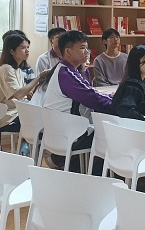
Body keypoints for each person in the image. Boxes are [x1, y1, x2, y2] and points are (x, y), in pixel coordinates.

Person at [43, 30, 112, 171]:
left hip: (60, 131)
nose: (87, 52)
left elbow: (89, 91)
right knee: (109, 133)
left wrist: (111, 97)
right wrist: (116, 102)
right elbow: (92, 98)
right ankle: (93, 177)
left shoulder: (67, 70)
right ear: (68, 52)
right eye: (82, 48)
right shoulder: (66, 74)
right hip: (68, 135)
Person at [0, 34, 44, 131]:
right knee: (41, 122)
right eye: (23, 48)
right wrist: (39, 77)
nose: (27, 51)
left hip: (17, 112)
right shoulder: (6, 69)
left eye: (28, 47)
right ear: (12, 51)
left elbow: (22, 94)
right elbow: (18, 94)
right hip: (7, 116)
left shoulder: (18, 69)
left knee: (43, 117)